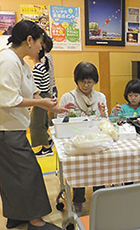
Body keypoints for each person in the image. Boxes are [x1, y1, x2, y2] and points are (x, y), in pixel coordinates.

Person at [0, 20, 72, 230]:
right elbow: (7, 99)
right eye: (40, 42)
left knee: (13, 177)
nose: (41, 47)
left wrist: (53, 108)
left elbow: (33, 92)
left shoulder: (21, 62)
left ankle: (16, 217)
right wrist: (40, 102)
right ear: (29, 40)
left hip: (13, 128)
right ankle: (34, 221)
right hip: (6, 130)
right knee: (28, 173)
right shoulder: (8, 60)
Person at [59, 61, 108, 216]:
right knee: (79, 168)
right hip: (77, 143)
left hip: (95, 141)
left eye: (90, 82)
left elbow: (104, 122)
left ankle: (100, 198)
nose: (86, 85)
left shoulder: (100, 97)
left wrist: (103, 113)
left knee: (99, 167)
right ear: (76, 80)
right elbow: (59, 121)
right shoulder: (68, 97)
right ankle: (78, 200)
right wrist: (66, 115)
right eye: (83, 81)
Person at [29, 46, 53, 157]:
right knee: (42, 122)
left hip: (41, 97)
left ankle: (46, 148)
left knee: (37, 124)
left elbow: (34, 88)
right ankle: (47, 143)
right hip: (44, 96)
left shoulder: (38, 67)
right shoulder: (42, 66)